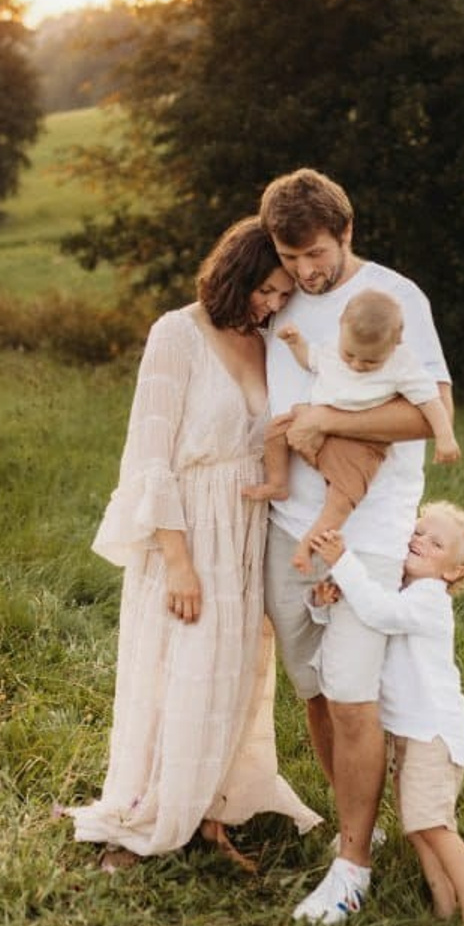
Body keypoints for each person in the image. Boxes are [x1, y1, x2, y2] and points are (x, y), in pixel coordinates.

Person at [58, 217, 322, 872]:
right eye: (265, 288)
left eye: (285, 295)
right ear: (236, 272)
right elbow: (151, 455)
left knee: (233, 676)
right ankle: (145, 818)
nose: (273, 304)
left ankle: (209, 814)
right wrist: (178, 561)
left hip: (246, 529)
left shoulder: (271, 345)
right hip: (188, 529)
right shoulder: (178, 334)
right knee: (177, 673)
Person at [258, 167, 455, 924]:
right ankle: (354, 833)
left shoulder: (395, 298)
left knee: (352, 697)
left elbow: (430, 410)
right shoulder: (282, 299)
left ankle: (353, 868)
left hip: (363, 532)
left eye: (316, 254)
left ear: (347, 233)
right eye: (291, 254)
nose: (306, 271)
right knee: (313, 692)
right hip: (287, 529)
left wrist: (326, 425)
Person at [308, 501, 464, 926]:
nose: (419, 540)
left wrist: (344, 563)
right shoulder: (406, 591)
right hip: (409, 732)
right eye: (418, 530)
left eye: (436, 541)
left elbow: (379, 613)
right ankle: (444, 907)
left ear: (453, 573)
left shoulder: (428, 598)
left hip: (432, 733)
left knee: (435, 825)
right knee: (417, 826)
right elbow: (367, 620)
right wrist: (326, 600)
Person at [245, 286, 460, 574]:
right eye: (350, 356)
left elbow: (430, 401)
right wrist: (296, 343)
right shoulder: (335, 347)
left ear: (395, 343)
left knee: (341, 500)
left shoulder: (402, 364)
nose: (357, 365)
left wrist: (445, 438)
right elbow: (310, 360)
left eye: (370, 362)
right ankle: (278, 483)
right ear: (342, 330)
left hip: (359, 443)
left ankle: (308, 547)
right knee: (275, 431)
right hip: (311, 423)